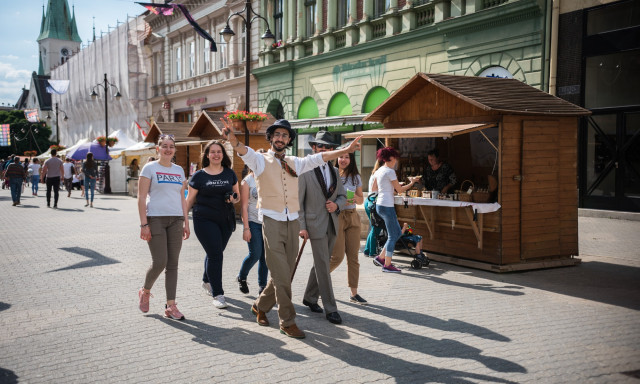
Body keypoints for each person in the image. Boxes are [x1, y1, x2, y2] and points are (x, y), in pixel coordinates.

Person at [221, 118, 362, 339]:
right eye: (277, 134)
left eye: (285, 135)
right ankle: (287, 321)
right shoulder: (260, 160)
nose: (280, 138)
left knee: (282, 274)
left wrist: (346, 150)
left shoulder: (296, 161)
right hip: (271, 222)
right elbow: (243, 151)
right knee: (282, 275)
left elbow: (321, 157)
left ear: (289, 140)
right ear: (270, 138)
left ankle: (260, 306)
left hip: (293, 221)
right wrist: (233, 141)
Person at [137, 134, 190, 320]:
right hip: (155, 219)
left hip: (176, 220)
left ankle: (171, 306)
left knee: (173, 264)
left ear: (174, 149)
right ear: (158, 148)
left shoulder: (179, 170)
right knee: (160, 261)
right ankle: (145, 291)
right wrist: (144, 224)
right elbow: (141, 198)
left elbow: (182, 198)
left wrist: (186, 222)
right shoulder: (149, 168)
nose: (168, 149)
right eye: (164, 146)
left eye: (171, 146)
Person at [298, 131, 346, 325]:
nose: (324, 150)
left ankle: (309, 297)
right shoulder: (305, 170)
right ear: (314, 148)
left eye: (328, 147)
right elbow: (298, 202)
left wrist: (337, 206)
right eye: (321, 147)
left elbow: (342, 196)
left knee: (320, 263)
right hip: (313, 225)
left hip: (332, 223)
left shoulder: (334, 171)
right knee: (323, 265)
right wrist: (301, 226)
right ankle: (330, 308)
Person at [186, 140, 240, 310]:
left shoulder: (229, 173)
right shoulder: (199, 176)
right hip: (204, 220)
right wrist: (183, 222)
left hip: (225, 219)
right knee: (216, 254)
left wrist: (233, 198)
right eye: (213, 152)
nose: (216, 154)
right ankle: (218, 294)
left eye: (219, 151)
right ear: (207, 155)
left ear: (223, 155)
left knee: (214, 252)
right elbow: (189, 200)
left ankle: (206, 280)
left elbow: (237, 195)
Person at [371, 147, 420, 273]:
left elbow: (374, 188)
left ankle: (381, 258)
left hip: (379, 205)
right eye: (395, 158)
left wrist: (391, 188)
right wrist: (412, 182)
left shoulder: (380, 170)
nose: (396, 160)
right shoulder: (390, 172)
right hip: (387, 205)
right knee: (393, 235)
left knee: (396, 233)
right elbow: (400, 190)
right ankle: (387, 265)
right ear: (391, 158)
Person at [329, 151, 367, 305]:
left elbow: (360, 199)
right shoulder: (331, 175)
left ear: (351, 160)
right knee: (337, 257)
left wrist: (354, 198)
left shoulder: (355, 177)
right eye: (341, 157)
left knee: (353, 257)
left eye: (347, 157)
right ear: (337, 158)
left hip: (352, 216)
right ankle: (317, 282)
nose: (343, 159)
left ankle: (354, 293)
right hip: (337, 216)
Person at [236, 151, 269, 296]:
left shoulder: (270, 178)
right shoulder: (247, 181)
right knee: (255, 253)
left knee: (265, 256)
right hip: (253, 221)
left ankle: (262, 285)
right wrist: (246, 228)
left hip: (268, 221)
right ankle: (242, 277)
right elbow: (243, 206)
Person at [363, 160, 382, 258]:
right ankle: (372, 252)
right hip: (373, 202)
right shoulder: (380, 174)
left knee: (373, 226)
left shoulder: (374, 173)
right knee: (376, 227)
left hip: (369, 201)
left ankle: (367, 250)